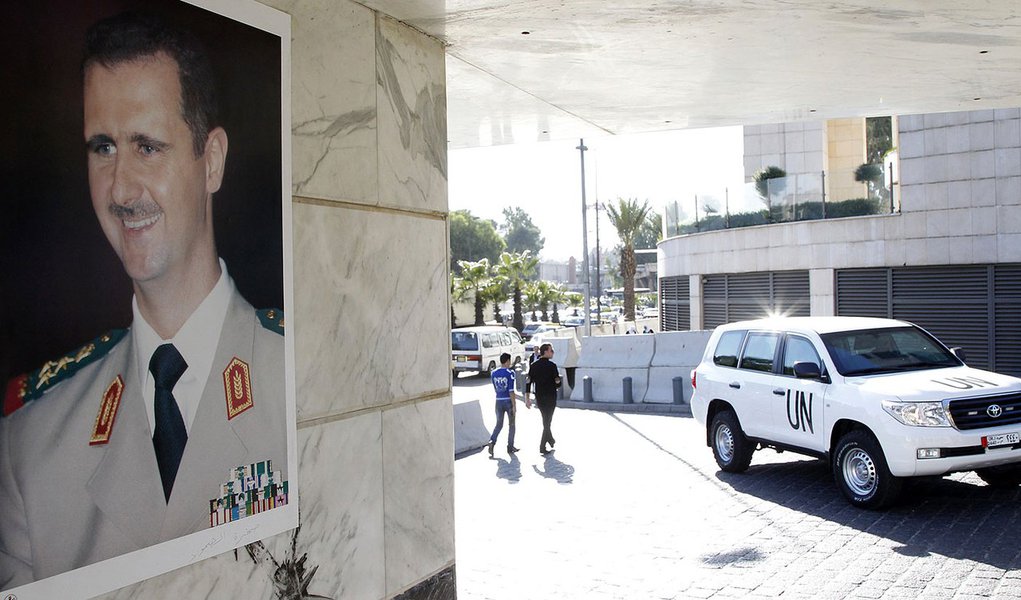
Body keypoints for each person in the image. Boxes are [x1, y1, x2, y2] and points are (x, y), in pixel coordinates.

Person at [0, 12, 287, 587]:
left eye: (148, 147)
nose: (121, 188)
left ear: (212, 161)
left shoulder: (299, 374)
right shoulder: (33, 439)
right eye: (103, 147)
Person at [487, 353, 525, 456]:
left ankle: (492, 441)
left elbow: (495, 387)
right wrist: (514, 405)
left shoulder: (494, 373)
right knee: (512, 425)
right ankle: (510, 446)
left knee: (499, 424)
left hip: (498, 400)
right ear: (507, 361)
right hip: (508, 400)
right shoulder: (510, 373)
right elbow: (511, 390)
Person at [528, 343, 561, 455]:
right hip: (551, 396)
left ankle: (550, 439)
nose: (553, 353)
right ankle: (543, 446)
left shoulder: (533, 365)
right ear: (545, 352)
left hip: (539, 397)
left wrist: (527, 397)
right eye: (551, 350)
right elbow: (557, 383)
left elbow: (528, 382)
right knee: (548, 421)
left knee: (545, 419)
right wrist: (558, 382)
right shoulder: (552, 366)